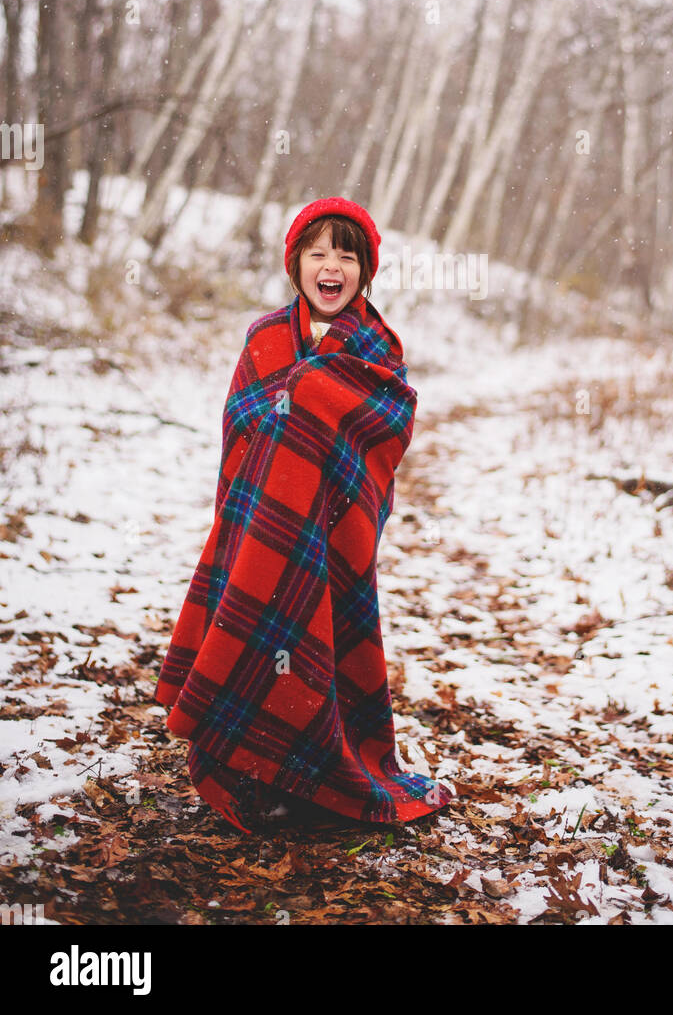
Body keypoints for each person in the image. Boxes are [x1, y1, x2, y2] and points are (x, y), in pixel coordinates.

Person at [154, 196, 453, 833]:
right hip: (261, 525)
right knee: (257, 630)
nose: (331, 265)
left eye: (347, 254)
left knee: (323, 646)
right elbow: (239, 428)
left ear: (365, 270)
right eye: (317, 252)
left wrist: (310, 402)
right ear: (296, 265)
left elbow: (384, 433)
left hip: (329, 535)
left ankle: (317, 775)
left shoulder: (377, 347)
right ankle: (245, 764)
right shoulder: (264, 338)